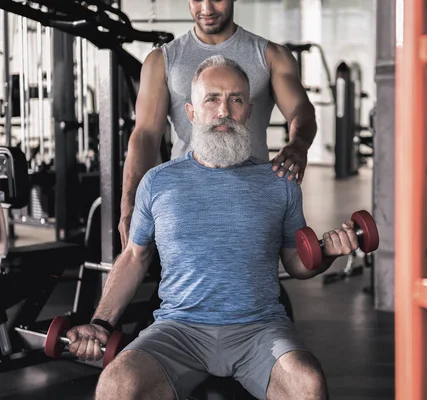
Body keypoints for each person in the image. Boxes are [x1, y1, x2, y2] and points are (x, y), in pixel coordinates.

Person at [65, 56, 359, 400]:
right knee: (116, 384)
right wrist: (101, 323)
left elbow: (296, 261)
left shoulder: (279, 183)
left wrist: (326, 254)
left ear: (248, 112)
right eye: (212, 99)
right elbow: (134, 257)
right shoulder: (158, 182)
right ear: (191, 113)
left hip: (259, 328)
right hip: (178, 329)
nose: (224, 111)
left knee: (307, 383)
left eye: (235, 99)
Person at [119, 0, 317, 249]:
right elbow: (146, 134)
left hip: (251, 199)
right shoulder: (163, 60)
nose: (207, 9)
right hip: (184, 200)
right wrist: (129, 202)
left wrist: (299, 143)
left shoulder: (271, 56)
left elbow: (301, 110)